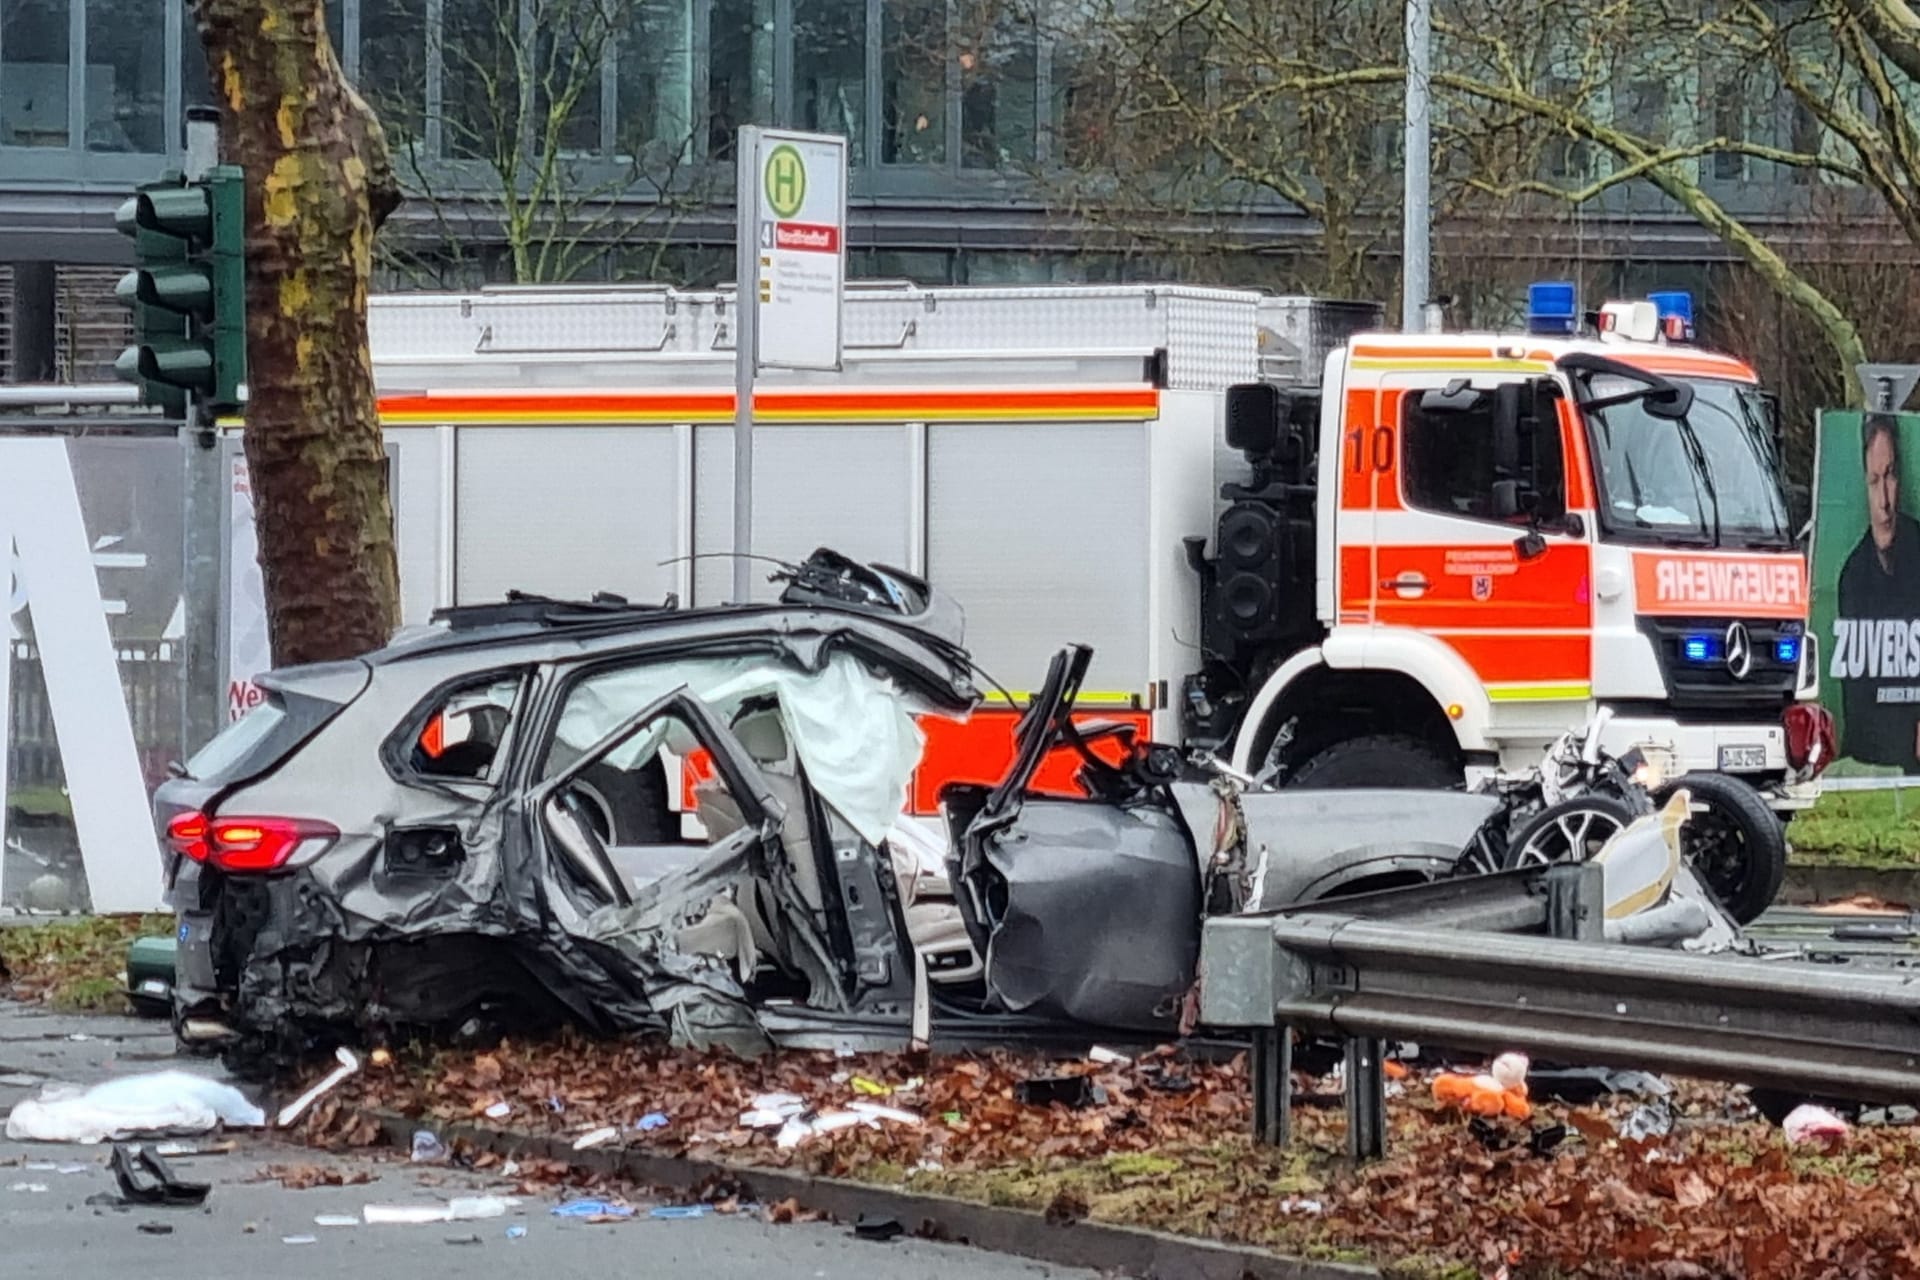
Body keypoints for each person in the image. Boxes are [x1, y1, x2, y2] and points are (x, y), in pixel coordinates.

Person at [1835, 414, 1920, 767]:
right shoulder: (1853, 576)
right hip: (1874, 762)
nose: (1884, 499)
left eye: (1890, 476)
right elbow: (1856, 707)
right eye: (1874, 481)